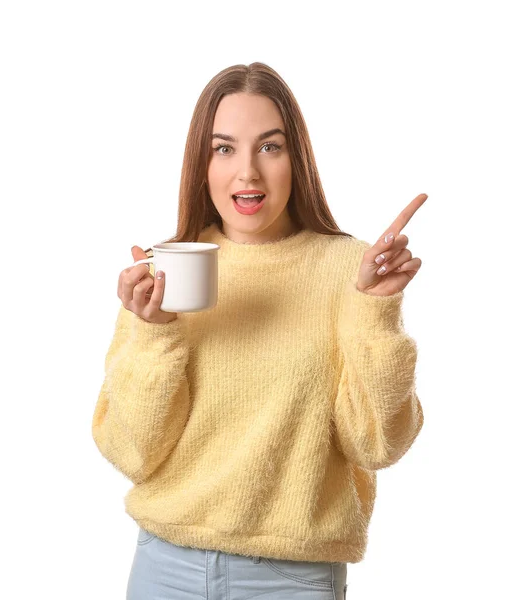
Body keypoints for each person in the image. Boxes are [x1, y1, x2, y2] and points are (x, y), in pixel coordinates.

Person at [92, 62, 426, 600]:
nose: (247, 172)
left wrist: (375, 312)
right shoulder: (166, 269)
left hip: (292, 579)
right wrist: (154, 333)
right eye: (224, 148)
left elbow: (379, 444)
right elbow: (130, 452)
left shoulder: (350, 270)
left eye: (269, 147)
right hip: (165, 568)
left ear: (298, 160)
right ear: (201, 163)